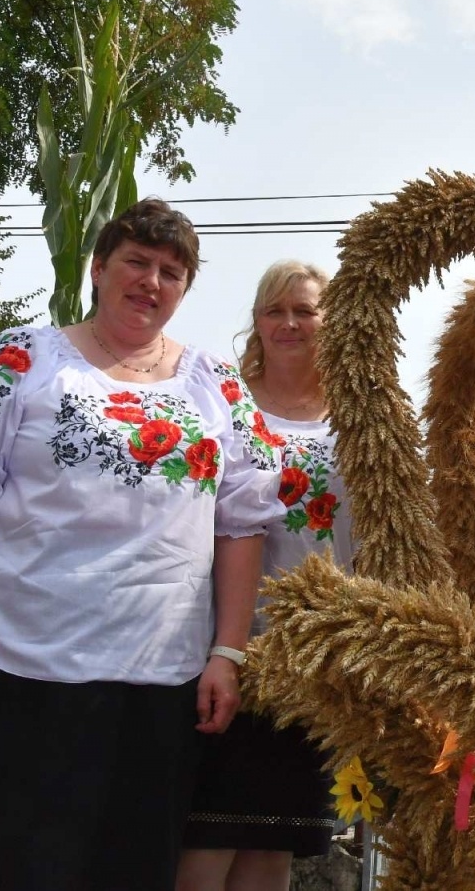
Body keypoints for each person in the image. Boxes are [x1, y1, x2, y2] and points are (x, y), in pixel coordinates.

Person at [0, 197, 282, 891]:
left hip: (156, 687)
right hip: (10, 673)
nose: (152, 281)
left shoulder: (216, 384)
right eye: (137, 261)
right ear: (100, 268)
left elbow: (242, 523)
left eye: (172, 271)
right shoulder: (22, 359)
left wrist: (229, 652)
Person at [178, 261, 352, 891]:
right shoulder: (222, 402)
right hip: (223, 642)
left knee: (273, 846)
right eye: (274, 311)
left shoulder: (363, 413)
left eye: (304, 310)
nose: (289, 323)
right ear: (255, 322)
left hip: (314, 651)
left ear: (329, 320)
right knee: (206, 843)